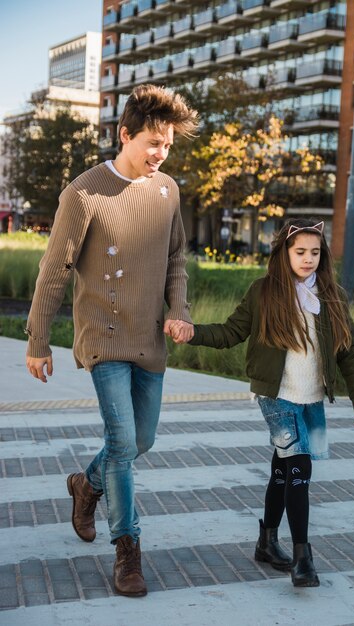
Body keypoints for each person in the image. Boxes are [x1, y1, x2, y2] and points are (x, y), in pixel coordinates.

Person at [25, 84, 199, 597]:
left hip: (150, 340)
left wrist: (179, 311)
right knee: (123, 443)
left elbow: (175, 261)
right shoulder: (83, 192)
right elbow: (54, 270)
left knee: (141, 441)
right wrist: (38, 340)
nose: (159, 154)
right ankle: (128, 550)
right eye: (151, 142)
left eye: (166, 145)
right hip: (102, 337)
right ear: (124, 134)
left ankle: (86, 485)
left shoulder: (167, 191)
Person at [168, 218, 354, 588]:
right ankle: (302, 559)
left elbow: (348, 350)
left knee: (282, 470)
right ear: (284, 254)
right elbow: (231, 332)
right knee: (299, 469)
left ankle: (265, 541)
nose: (308, 259)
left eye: (314, 252)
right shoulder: (264, 292)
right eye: (300, 252)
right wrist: (192, 332)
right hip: (275, 396)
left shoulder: (331, 296)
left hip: (310, 399)